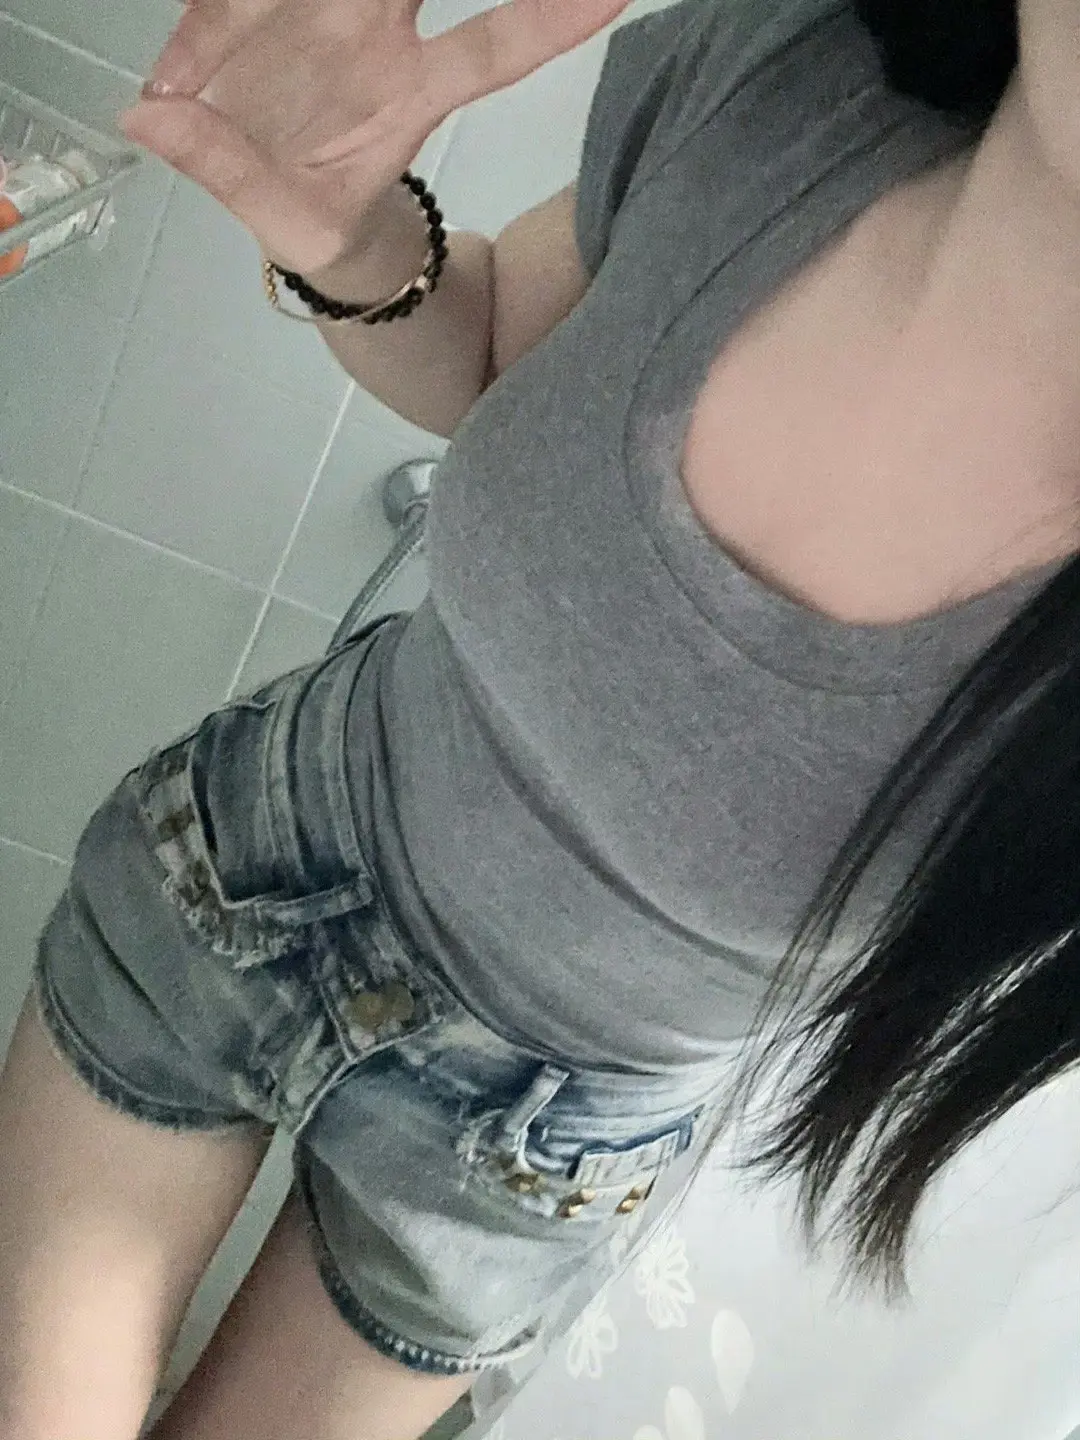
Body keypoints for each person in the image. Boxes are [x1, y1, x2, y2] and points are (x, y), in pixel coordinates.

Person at [2, 0, 1075, 1433]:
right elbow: (495, 349)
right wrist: (350, 234)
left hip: (529, 1151)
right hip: (243, 872)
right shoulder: (786, 69)